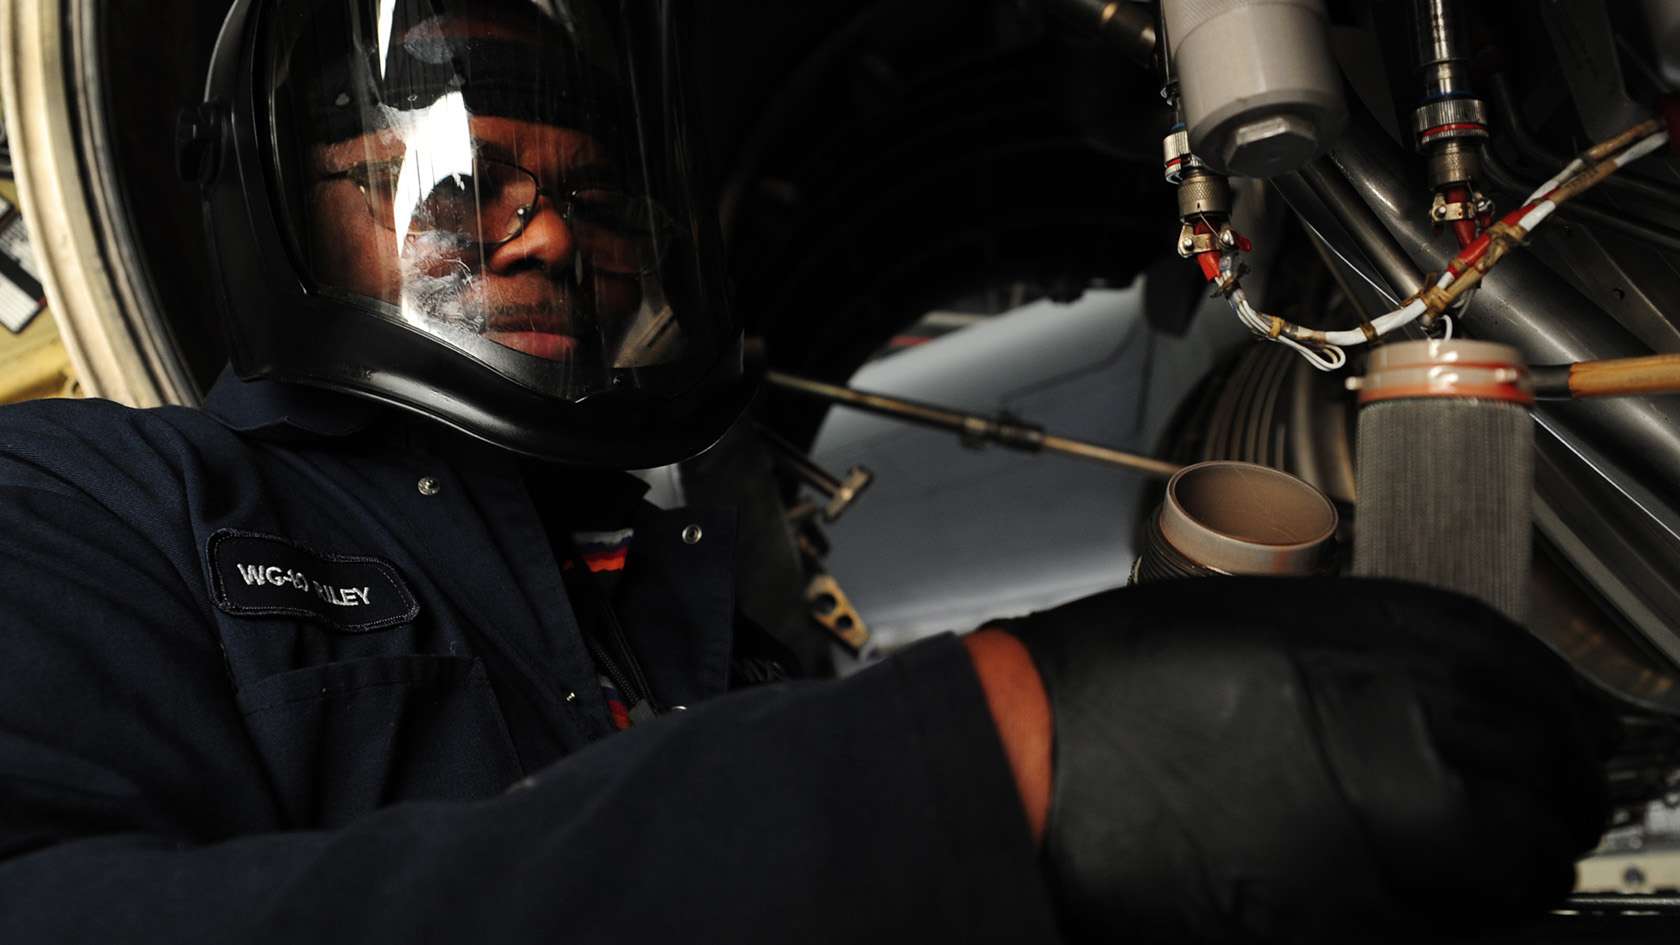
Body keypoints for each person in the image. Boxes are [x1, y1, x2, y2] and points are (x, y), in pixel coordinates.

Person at [0, 1, 1611, 941]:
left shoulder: (693, 608)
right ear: (280, 210)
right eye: (453, 189)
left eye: (591, 199)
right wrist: (985, 768)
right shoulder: (91, 505)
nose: (547, 237)